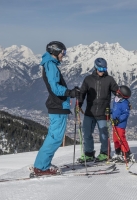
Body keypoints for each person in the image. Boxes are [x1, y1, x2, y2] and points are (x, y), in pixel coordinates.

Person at [33, 41, 80, 176]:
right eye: (62, 52)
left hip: (58, 105)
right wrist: (69, 93)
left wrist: (70, 92)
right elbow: (55, 88)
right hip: (57, 105)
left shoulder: (50, 64)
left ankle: (41, 164)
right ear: (55, 51)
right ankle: (41, 167)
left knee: (54, 137)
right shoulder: (51, 65)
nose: (63, 55)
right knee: (55, 138)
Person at [77, 58, 119, 163]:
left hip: (103, 112)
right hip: (89, 112)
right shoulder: (88, 79)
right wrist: (79, 105)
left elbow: (117, 92)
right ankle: (89, 154)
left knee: (104, 134)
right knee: (86, 133)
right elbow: (82, 93)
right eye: (100, 68)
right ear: (95, 67)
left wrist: (123, 95)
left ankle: (105, 153)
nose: (102, 71)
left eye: (104, 68)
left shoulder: (109, 79)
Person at [111, 85, 135, 163]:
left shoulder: (124, 103)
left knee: (121, 138)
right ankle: (118, 153)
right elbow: (115, 110)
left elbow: (125, 114)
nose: (117, 93)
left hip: (120, 124)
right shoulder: (116, 100)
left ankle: (126, 153)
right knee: (115, 139)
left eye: (118, 92)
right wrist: (109, 111)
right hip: (114, 123)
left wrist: (119, 120)